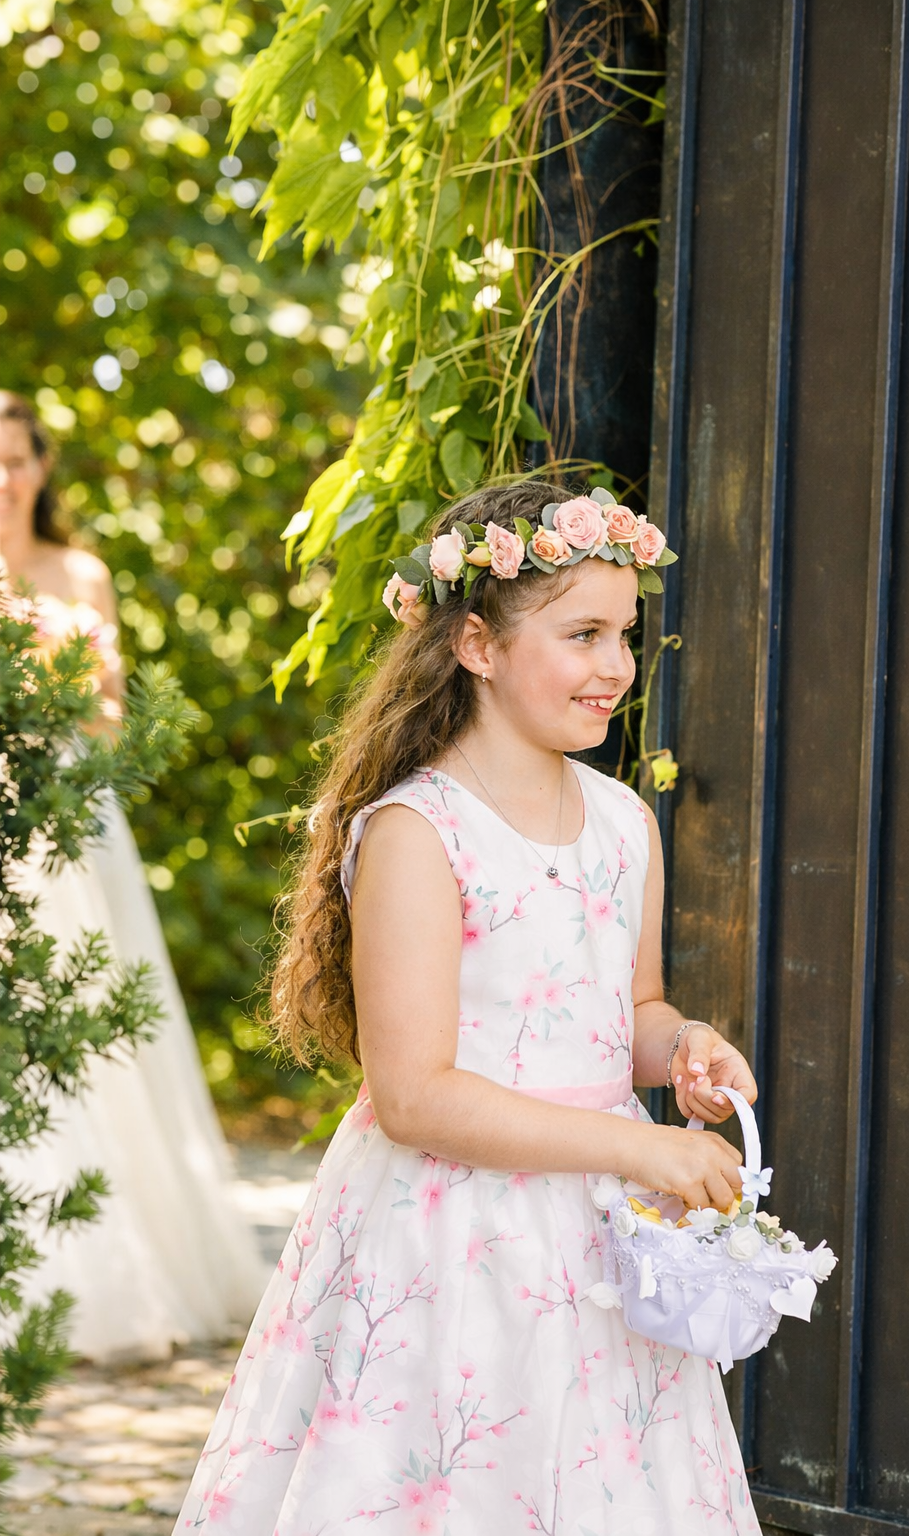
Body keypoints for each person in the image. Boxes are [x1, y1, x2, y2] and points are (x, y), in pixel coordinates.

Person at [175, 479, 763, 1533]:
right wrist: (639, 1152)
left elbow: (627, 1009)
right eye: (582, 634)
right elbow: (413, 1096)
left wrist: (685, 1047)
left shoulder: (624, 823)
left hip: (594, 1241)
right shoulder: (420, 832)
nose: (616, 668)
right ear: (477, 646)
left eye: (625, 635)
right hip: (448, 1239)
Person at [0, 390, 266, 1362]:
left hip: (69, 806)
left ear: (43, 467)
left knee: (89, 1014)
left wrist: (51, 680)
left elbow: (109, 719)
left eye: (20, 457)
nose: (7, 475)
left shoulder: (82, 573)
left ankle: (108, 1272)